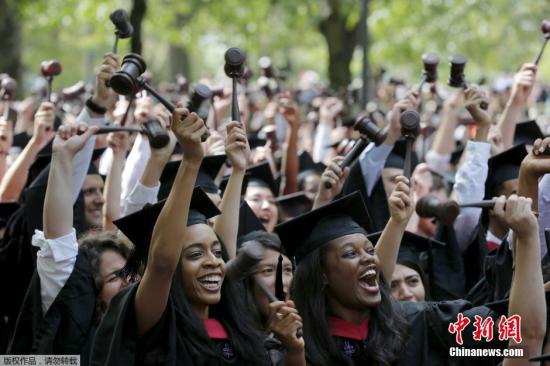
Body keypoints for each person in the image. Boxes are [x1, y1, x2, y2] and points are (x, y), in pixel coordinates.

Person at [91, 106, 273, 365]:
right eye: (195, 254)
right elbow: (162, 264)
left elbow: (224, 245)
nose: (213, 261)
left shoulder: (235, 330)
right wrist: (191, 160)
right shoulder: (154, 320)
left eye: (216, 253)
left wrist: (238, 170)